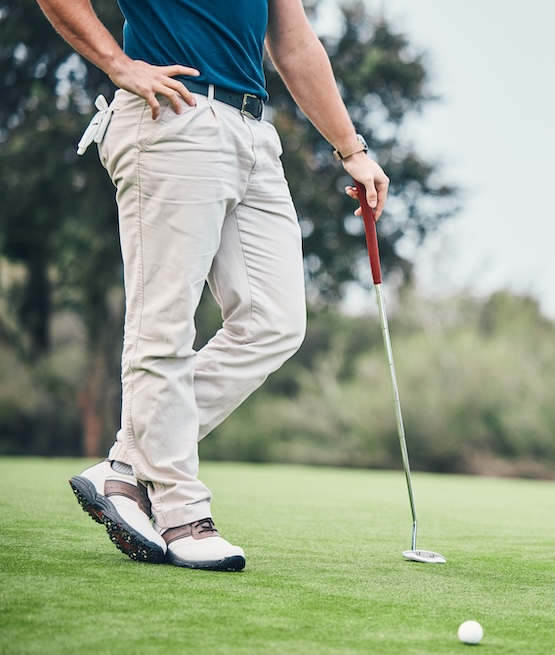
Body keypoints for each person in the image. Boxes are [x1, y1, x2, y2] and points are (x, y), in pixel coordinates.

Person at [37, 0, 390, 572]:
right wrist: (119, 64)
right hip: (170, 115)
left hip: (252, 129)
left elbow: (294, 41)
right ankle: (180, 513)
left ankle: (128, 466)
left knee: (274, 323)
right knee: (166, 323)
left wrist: (353, 150)